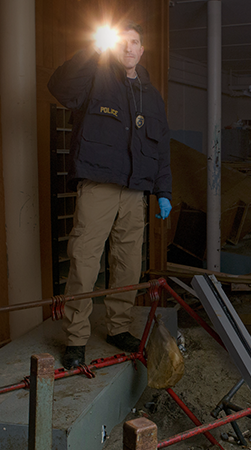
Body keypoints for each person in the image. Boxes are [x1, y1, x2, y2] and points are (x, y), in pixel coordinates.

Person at [48, 21, 172, 370]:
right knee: (85, 263)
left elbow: (161, 147)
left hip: (135, 192)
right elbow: (60, 87)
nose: (128, 48)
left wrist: (163, 190)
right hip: (98, 185)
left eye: (134, 42)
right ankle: (75, 338)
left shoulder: (152, 95)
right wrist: (92, 50)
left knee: (128, 265)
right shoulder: (95, 76)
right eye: (122, 42)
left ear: (142, 49)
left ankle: (119, 327)